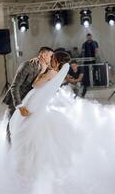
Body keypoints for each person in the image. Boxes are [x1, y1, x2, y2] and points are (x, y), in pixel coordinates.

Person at [9, 51, 71, 183]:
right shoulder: (57, 75)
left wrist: (41, 74)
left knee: (26, 131)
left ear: (57, 61)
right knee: (34, 134)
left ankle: (27, 168)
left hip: (34, 100)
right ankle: (32, 167)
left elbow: (35, 85)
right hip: (38, 102)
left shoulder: (51, 73)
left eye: (52, 58)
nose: (50, 60)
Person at [2, 46, 53, 142]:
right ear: (43, 55)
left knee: (22, 128)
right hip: (16, 101)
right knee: (11, 128)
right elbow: (14, 86)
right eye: (50, 56)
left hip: (27, 101)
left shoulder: (44, 69)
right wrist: (20, 106)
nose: (51, 58)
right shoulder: (27, 65)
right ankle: (8, 151)